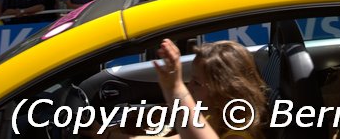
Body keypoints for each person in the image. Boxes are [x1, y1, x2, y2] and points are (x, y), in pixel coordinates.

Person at [93, 39, 268, 139]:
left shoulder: (237, 136)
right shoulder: (211, 117)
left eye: (197, 83)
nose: (189, 87)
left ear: (224, 92)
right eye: (190, 80)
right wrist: (108, 136)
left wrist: (175, 87)